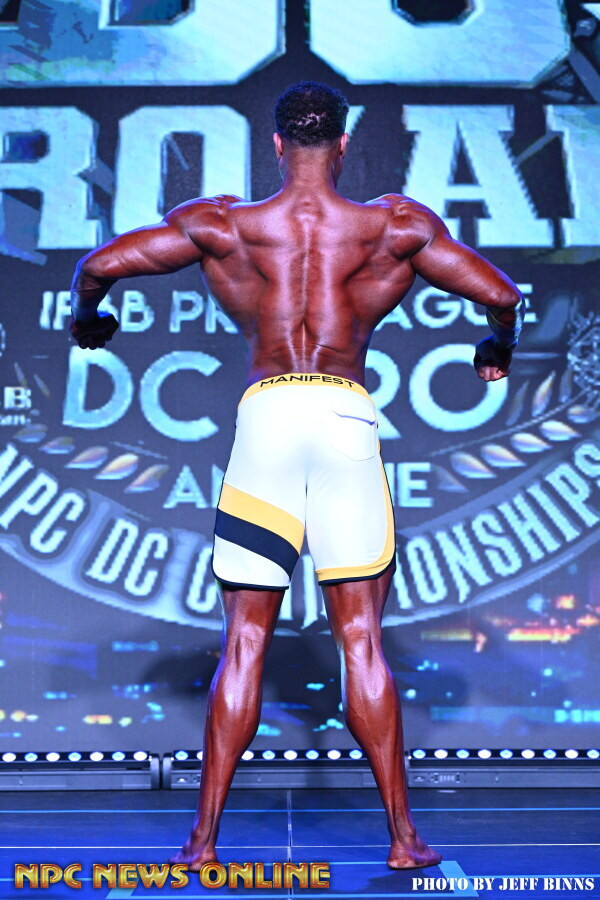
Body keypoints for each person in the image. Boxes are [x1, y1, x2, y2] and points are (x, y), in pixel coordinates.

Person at [69, 81, 525, 870]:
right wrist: (496, 348)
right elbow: (500, 295)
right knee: (363, 642)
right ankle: (403, 840)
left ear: (277, 145)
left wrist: (90, 321)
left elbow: (99, 266)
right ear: (343, 145)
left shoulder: (222, 225)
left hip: (267, 422)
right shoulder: (395, 228)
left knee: (244, 641)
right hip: (345, 418)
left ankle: (203, 841)